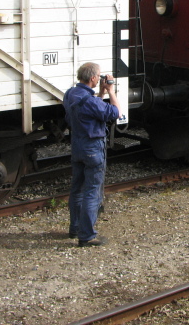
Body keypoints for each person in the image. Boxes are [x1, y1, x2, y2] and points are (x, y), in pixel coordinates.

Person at [63, 62, 121, 247]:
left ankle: (75, 228)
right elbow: (115, 113)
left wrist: (101, 93)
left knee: (77, 189)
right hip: (93, 148)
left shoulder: (70, 94)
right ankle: (87, 236)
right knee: (92, 192)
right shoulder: (90, 101)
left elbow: (92, 110)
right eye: (99, 76)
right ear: (93, 78)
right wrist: (111, 91)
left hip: (77, 145)